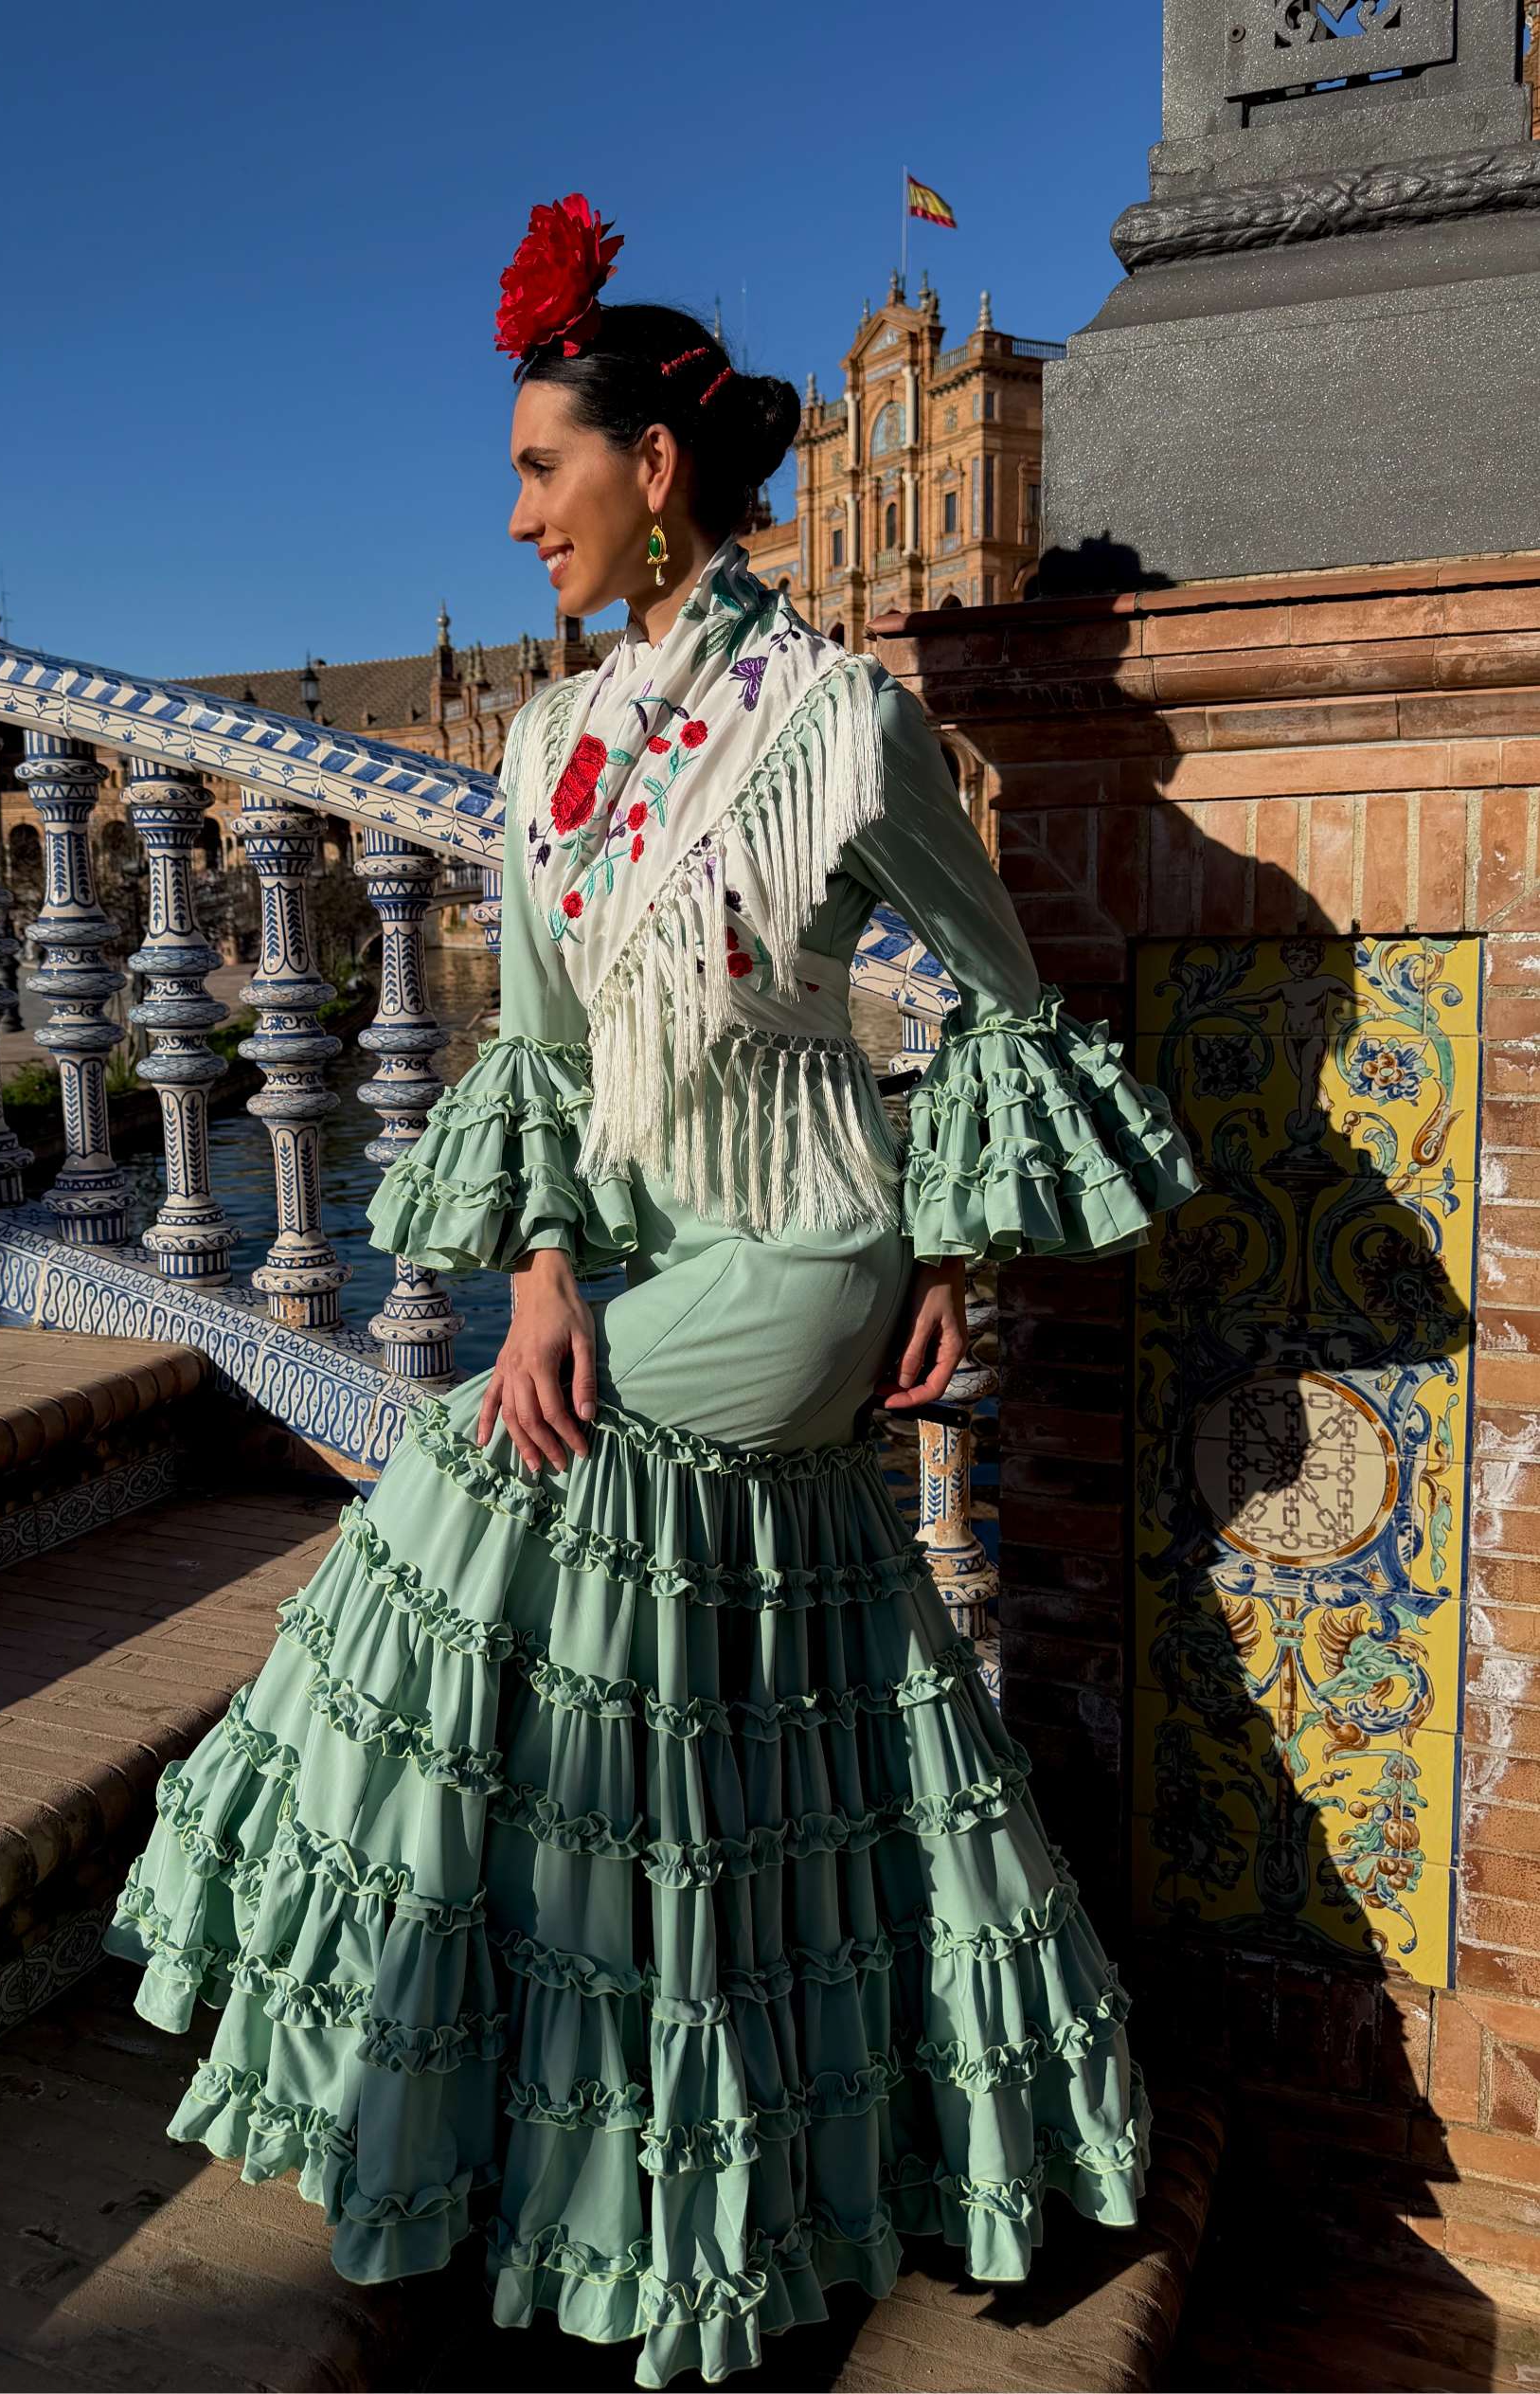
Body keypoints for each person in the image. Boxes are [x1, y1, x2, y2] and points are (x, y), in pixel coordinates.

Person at [105, 193, 1202, 2389]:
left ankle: (537, 2110)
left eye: (544, 469)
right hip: (640, 1255)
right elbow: (531, 1058)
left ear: (657, 469)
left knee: (474, 1496)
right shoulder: (546, 751)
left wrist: (940, 1251)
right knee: (715, 1681)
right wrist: (533, 1273)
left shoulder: (846, 724)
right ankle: (641, 2149)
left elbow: (1005, 1001)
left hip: (805, 1252)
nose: (519, 516)